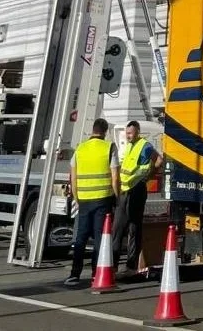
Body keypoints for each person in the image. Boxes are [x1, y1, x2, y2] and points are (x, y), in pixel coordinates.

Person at [64, 117, 119, 287]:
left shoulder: (80, 148)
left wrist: (77, 197)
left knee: (80, 238)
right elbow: (115, 177)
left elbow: (73, 176)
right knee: (99, 238)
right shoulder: (109, 147)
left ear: (92, 130)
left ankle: (75, 273)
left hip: (84, 200)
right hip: (103, 199)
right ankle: (97, 273)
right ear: (105, 132)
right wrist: (117, 197)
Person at [113, 120, 160, 279]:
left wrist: (148, 177)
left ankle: (131, 266)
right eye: (127, 133)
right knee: (118, 228)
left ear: (137, 132)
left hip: (137, 191)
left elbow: (158, 160)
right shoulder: (129, 146)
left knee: (133, 228)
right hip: (126, 191)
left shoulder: (144, 146)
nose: (128, 136)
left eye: (130, 133)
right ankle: (112, 266)